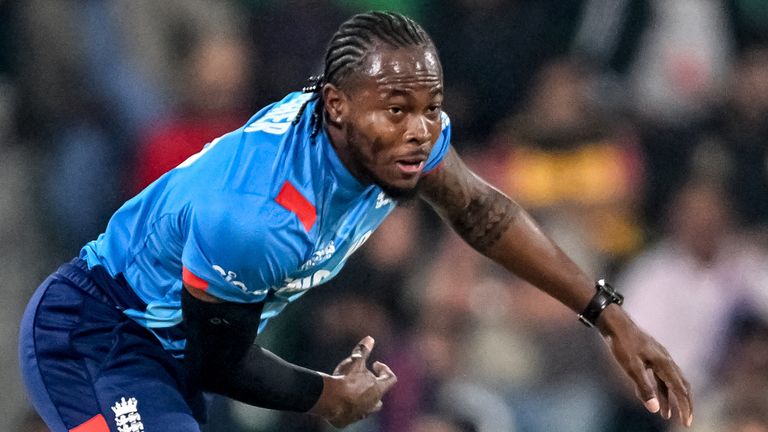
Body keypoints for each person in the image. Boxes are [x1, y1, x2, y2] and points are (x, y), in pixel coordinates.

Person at [19, 11, 693, 432]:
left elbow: (483, 212)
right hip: (100, 334)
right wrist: (327, 396)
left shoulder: (396, 140)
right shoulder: (259, 217)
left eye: (431, 107)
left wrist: (609, 316)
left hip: (178, 342)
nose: (420, 131)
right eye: (397, 110)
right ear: (337, 106)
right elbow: (217, 361)